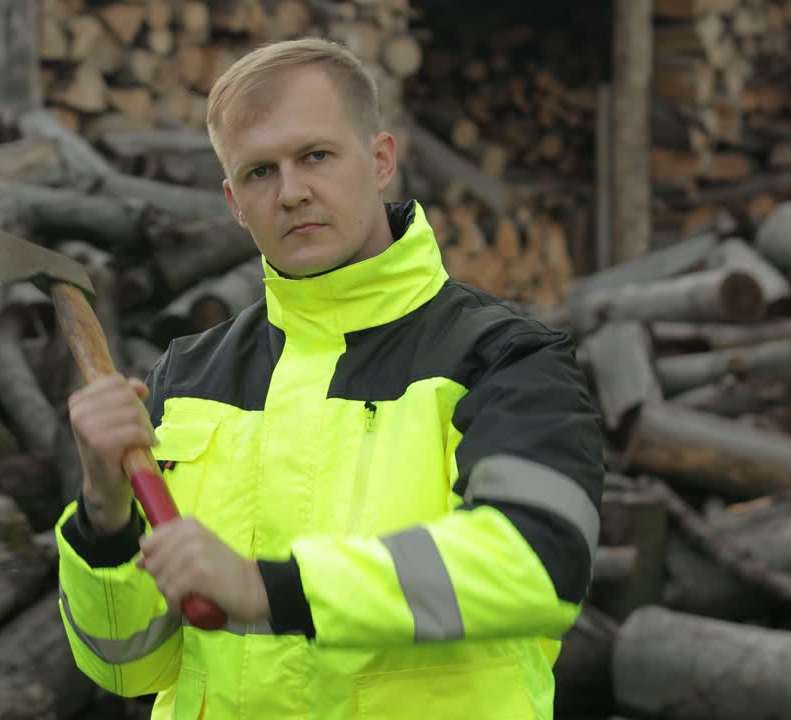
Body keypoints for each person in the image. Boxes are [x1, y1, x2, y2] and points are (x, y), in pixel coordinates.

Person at [54, 37, 604, 719]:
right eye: (259, 172)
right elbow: (127, 664)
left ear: (379, 162)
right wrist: (104, 517)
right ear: (233, 201)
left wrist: (275, 588)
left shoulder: (502, 357)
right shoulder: (189, 375)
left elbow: (538, 560)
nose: (291, 193)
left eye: (315, 156)